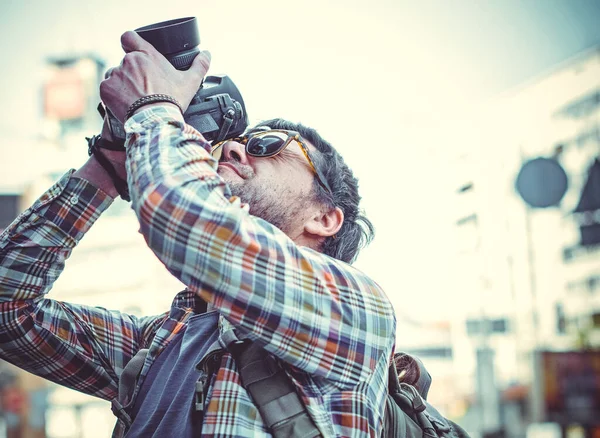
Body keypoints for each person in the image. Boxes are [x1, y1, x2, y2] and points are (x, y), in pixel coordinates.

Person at [0, 30, 396, 437]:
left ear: (325, 218)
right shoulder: (160, 342)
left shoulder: (350, 308)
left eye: (269, 145)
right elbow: (7, 310)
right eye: (232, 143)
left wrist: (152, 108)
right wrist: (108, 164)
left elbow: (185, 226)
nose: (231, 150)